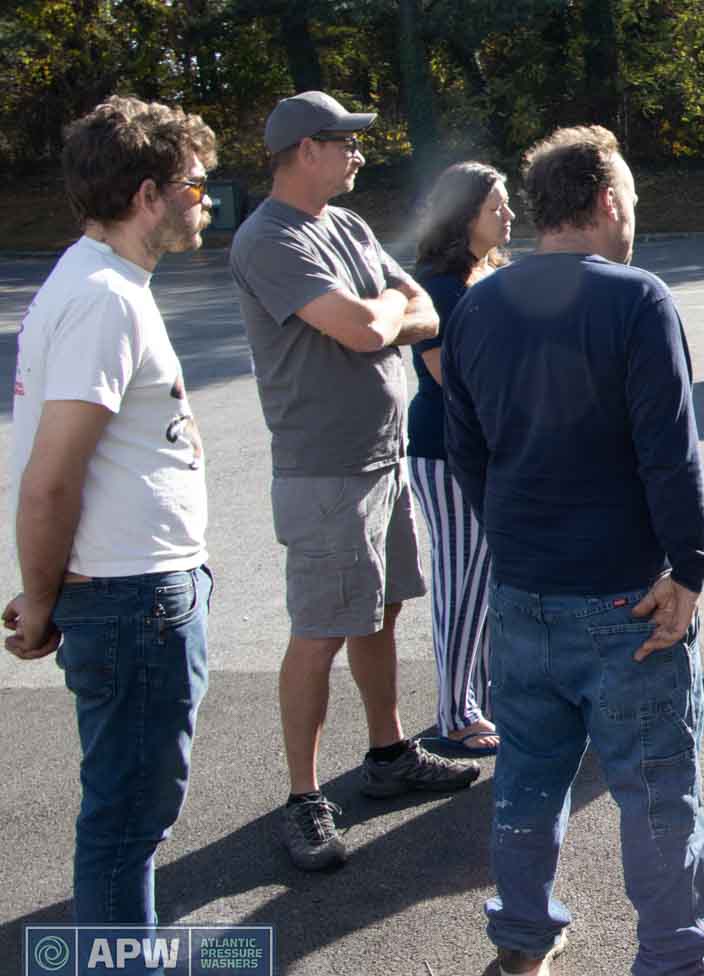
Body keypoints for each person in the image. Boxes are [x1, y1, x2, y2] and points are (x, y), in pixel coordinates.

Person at [443, 125, 704, 976]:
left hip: (521, 596)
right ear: (604, 201)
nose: (632, 214)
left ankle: (522, 951)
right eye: (629, 197)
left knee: (526, 778)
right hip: (626, 599)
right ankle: (681, 973)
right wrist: (691, 569)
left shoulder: (478, 305)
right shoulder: (636, 298)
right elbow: (668, 451)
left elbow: (468, 450)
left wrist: (512, 540)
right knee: (658, 793)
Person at [4, 95, 223, 976]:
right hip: (133, 600)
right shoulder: (102, 300)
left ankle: (136, 962)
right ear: (148, 195)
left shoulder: (99, 284)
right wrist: (44, 596)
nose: (206, 200)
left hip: (133, 591)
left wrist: (51, 587)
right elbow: (52, 475)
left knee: (129, 812)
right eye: (196, 186)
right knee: (126, 820)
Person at [230, 91, 479, 872]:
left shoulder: (347, 225)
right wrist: (385, 314)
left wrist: (385, 313)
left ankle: (387, 754)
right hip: (324, 470)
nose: (359, 155)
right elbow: (367, 326)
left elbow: (421, 313)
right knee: (321, 630)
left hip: (382, 455)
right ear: (306, 149)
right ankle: (303, 799)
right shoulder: (268, 238)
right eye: (347, 143)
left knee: (383, 611)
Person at [407, 161, 516, 757]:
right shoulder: (438, 286)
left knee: (490, 580)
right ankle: (454, 713)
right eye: (496, 206)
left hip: (487, 451)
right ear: (463, 214)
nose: (509, 214)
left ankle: (487, 699)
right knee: (461, 581)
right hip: (445, 453)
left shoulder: (486, 275)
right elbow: (446, 373)